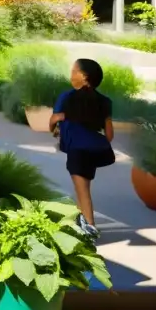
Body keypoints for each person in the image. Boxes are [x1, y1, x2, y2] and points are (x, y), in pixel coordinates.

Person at [49, 58, 116, 240]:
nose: (71, 75)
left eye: (74, 71)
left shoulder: (67, 97)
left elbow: (54, 121)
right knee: (83, 185)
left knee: (82, 190)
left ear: (84, 77)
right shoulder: (104, 101)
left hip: (78, 150)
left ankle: (90, 229)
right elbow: (109, 134)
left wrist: (57, 127)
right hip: (96, 149)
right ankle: (81, 225)